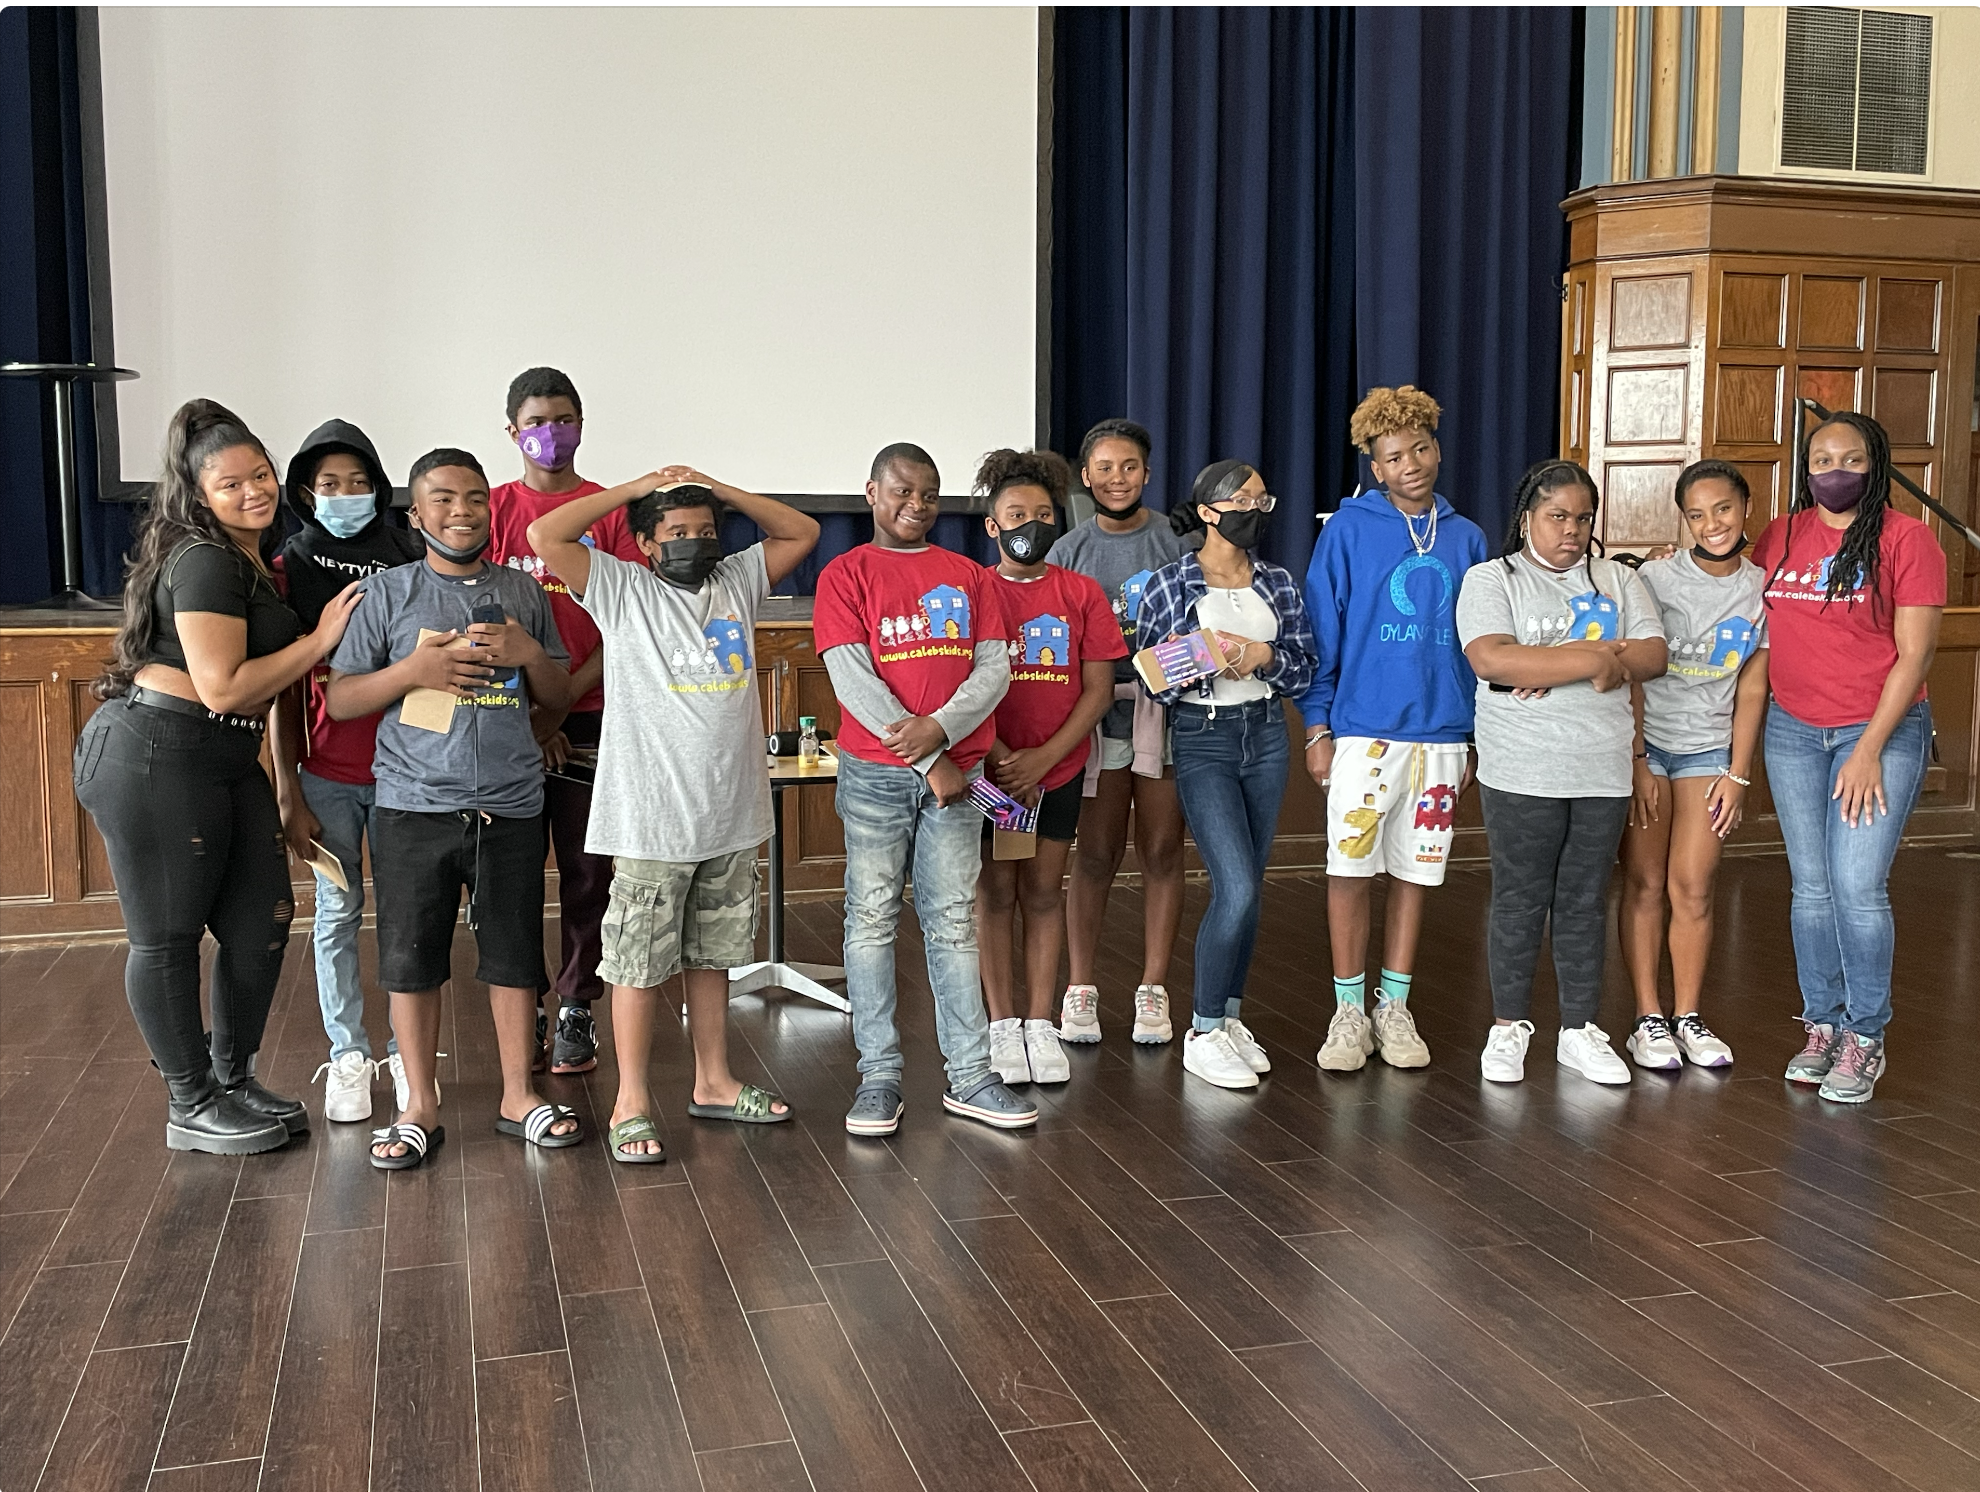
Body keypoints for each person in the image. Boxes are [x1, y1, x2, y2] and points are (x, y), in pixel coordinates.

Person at [75, 399, 362, 1154]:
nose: (252, 492)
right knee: (166, 938)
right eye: (230, 485)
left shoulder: (251, 562)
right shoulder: (202, 558)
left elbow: (254, 697)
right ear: (199, 495)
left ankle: (233, 1081)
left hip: (226, 760)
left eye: (260, 475)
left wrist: (285, 784)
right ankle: (190, 1101)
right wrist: (321, 637)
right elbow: (226, 686)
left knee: (259, 923)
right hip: (158, 755)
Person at [528, 466, 821, 1160]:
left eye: (705, 530)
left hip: (730, 811)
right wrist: (634, 489)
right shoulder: (623, 589)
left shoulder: (737, 582)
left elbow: (801, 531)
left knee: (712, 954)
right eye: (677, 533)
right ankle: (631, 1100)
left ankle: (713, 1081)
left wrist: (717, 488)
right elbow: (546, 533)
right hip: (652, 819)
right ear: (645, 544)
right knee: (635, 963)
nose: (695, 541)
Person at [325, 448, 577, 1169]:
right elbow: (341, 700)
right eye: (442, 500)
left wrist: (530, 654)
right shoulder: (389, 595)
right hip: (411, 807)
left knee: (514, 956)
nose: (461, 512)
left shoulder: (523, 593)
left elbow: (555, 700)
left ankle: (518, 1096)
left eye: (473, 498)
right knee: (409, 960)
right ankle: (419, 1107)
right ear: (415, 514)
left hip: (511, 807)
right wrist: (415, 671)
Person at [814, 442, 1036, 1136]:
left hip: (959, 775)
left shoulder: (970, 577)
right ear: (873, 493)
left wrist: (939, 732)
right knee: (872, 919)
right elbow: (851, 679)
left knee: (950, 922)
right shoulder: (844, 574)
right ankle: (878, 1078)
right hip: (878, 778)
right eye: (903, 492)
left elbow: (994, 671)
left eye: (930, 494)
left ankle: (970, 1076)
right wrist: (925, 759)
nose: (917, 506)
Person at [1456, 460, 1667, 1086]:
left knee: (1583, 901)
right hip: (1521, 768)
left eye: (1582, 518)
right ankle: (1508, 1028)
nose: (1571, 530)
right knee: (1520, 899)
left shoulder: (1618, 581)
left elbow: (1653, 656)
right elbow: (1491, 658)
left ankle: (1579, 1029)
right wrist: (1597, 658)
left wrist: (1541, 663)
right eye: (1557, 517)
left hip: (1601, 769)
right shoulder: (1491, 579)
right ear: (1527, 520)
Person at [1297, 386, 1487, 1074]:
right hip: (1365, 731)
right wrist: (1317, 726)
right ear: (1374, 468)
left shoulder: (1466, 537)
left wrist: (1470, 735)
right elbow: (1323, 633)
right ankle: (1348, 1010)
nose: (1412, 464)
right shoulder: (1347, 531)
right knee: (1350, 869)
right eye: (1394, 457)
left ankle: (1393, 1006)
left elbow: (1477, 641)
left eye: (1421, 449)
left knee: (1417, 872)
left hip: (1442, 734)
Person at [1758, 411, 1944, 1104]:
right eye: (1822, 457)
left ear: (1877, 465)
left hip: (1880, 731)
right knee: (1810, 887)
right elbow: (1736, 608)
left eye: (1853, 458)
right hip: (1792, 729)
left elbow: (1917, 652)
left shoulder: (1908, 539)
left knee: (1858, 888)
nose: (1835, 470)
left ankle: (1865, 1035)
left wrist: (1868, 748)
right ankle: (1822, 1024)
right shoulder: (1781, 536)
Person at [1136, 461, 1317, 1091]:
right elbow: (1151, 681)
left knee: (1253, 889)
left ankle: (1232, 1017)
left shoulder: (1278, 582)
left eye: (1264, 500)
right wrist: (1203, 655)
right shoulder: (1171, 582)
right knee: (1234, 887)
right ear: (1209, 512)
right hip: (1203, 736)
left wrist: (1262, 655)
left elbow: (1304, 668)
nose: (1258, 511)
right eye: (1245, 500)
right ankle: (1204, 1030)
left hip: (1267, 734)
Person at [486, 366, 645, 1078]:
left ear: (582, 424)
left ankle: (580, 999)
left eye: (564, 418)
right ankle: (529, 1006)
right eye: (536, 421)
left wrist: (558, 706)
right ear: (511, 429)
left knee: (588, 872)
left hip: (590, 717)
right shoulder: (487, 509)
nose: (550, 433)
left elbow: (630, 620)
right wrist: (531, 714)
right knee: (513, 876)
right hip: (502, 721)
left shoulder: (607, 513)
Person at [271, 419, 423, 1123]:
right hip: (326, 774)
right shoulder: (289, 563)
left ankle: (406, 1050)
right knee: (337, 912)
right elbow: (279, 688)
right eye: (330, 485)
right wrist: (287, 786)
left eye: (360, 483)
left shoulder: (409, 554)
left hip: (405, 772)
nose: (346, 495)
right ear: (306, 491)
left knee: (405, 916)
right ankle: (348, 1055)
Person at [972, 449, 1124, 1086]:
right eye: (1016, 514)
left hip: (1056, 771)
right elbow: (957, 686)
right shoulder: (972, 589)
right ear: (992, 525)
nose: (1030, 523)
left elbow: (1097, 689)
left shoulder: (1079, 593)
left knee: (1042, 893)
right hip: (993, 774)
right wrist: (1005, 760)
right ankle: (1001, 1024)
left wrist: (1045, 758)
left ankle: (1040, 1022)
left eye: (1042, 513)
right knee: (996, 893)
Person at [1618, 460, 1769, 1072]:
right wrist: (1634, 759)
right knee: (1646, 883)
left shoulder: (1762, 588)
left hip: (1709, 750)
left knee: (1694, 887)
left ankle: (1689, 1016)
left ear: (1745, 509)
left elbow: (1753, 689)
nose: (1712, 524)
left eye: (1724, 509)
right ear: (1683, 520)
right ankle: (1647, 1018)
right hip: (1649, 745)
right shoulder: (1654, 578)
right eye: (1697, 515)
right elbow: (1630, 672)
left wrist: (1737, 773)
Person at [1053, 418, 1187, 1045]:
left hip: (1166, 718)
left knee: (1161, 851)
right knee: (1098, 853)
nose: (1116, 478)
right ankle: (1081, 988)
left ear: (1147, 473)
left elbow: (1203, 627)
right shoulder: (1069, 550)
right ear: (1086, 477)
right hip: (1094, 722)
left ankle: (1153, 989)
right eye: (1103, 468)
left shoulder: (1176, 539)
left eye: (1128, 466)